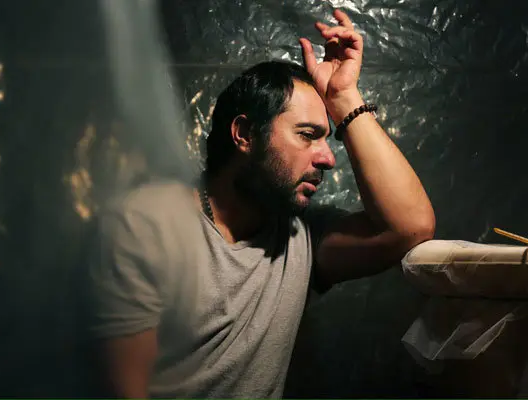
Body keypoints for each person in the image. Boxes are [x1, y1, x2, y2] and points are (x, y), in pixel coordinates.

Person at [87, 9, 435, 399]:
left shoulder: (301, 238)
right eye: (307, 135)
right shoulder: (146, 225)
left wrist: (343, 98)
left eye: (327, 138)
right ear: (245, 134)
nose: (327, 158)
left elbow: (411, 227)